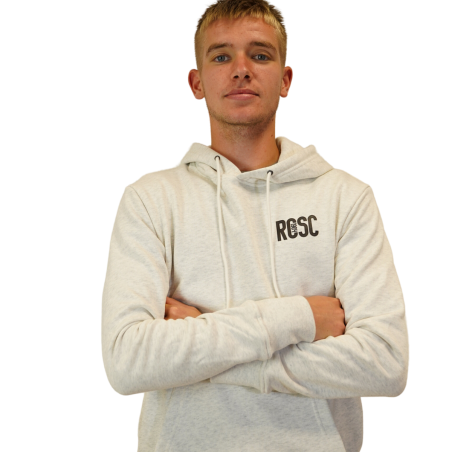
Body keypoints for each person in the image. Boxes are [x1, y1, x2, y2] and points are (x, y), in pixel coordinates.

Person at [100, 0, 410, 451]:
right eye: (221, 56)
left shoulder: (345, 197)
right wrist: (299, 317)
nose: (241, 69)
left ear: (285, 80)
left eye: (260, 55)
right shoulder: (150, 198)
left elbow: (386, 363)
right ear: (196, 83)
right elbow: (127, 362)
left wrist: (206, 341)